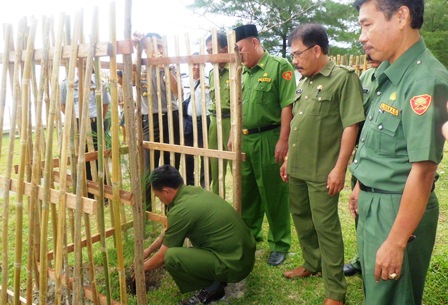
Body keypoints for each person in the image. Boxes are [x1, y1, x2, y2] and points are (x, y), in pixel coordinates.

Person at [350, 1, 448, 304]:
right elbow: (381, 144)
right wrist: (359, 185)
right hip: (373, 202)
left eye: (367, 24)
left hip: (397, 210)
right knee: (376, 292)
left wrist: (395, 241)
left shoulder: (426, 80)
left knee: (392, 298)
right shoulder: (390, 73)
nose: (361, 36)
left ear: (402, 16)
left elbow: (423, 171)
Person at [280, 23, 365, 305]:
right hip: (298, 168)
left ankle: (335, 292)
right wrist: (289, 158)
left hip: (322, 171)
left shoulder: (343, 79)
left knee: (326, 229)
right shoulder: (303, 81)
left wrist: (340, 168)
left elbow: (351, 125)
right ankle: (311, 263)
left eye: (298, 53)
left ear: (316, 50)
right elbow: (299, 124)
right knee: (302, 220)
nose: (295, 60)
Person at [139, 165, 256, 305]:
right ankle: (216, 278)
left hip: (236, 265)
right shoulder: (190, 192)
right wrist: (147, 251)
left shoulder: (181, 210)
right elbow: (169, 232)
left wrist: (142, 268)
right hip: (242, 254)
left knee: (172, 257)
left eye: (157, 196)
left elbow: (163, 256)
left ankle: (211, 288)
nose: (158, 199)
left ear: (166, 191)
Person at [231, 24, 295, 266]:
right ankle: (250, 235)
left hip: (269, 138)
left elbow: (287, 105)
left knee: (273, 192)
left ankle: (280, 243)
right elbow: (237, 107)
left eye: (240, 48)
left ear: (254, 43)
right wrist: (233, 134)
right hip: (245, 139)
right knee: (247, 191)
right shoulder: (242, 72)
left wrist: (283, 140)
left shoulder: (279, 67)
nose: (238, 54)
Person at [343, 57, 381, 277]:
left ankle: (377, 261)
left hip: (383, 159)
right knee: (360, 211)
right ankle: (362, 259)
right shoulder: (365, 77)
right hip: (362, 156)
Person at [140, 32, 181, 211]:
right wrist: (137, 47)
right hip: (151, 119)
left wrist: (165, 67)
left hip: (172, 116)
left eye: (160, 45)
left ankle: (171, 206)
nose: (158, 50)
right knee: (149, 166)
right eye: (153, 46)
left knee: (171, 164)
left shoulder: (171, 68)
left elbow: (178, 92)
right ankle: (147, 207)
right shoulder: (140, 68)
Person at [60, 68, 111, 198]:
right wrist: (74, 120)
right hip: (77, 124)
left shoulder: (100, 83)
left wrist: (99, 121)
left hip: (94, 123)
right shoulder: (67, 84)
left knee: (98, 156)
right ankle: (86, 192)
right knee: (80, 156)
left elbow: (105, 105)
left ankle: (102, 191)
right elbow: (63, 105)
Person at [206, 32, 231, 197]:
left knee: (237, 169)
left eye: (213, 50)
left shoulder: (238, 71)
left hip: (232, 121)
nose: (210, 55)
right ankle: (217, 203)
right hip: (215, 121)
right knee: (215, 169)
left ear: (226, 49)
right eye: (208, 51)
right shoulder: (211, 74)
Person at [183, 56, 211, 187]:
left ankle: (205, 185)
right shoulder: (183, 81)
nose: (196, 67)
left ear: (204, 66)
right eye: (193, 64)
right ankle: (190, 184)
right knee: (188, 155)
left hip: (204, 121)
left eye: (199, 65)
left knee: (205, 155)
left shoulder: (209, 81)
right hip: (187, 122)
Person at [117, 70, 127, 144]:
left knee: (124, 125)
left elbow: (131, 99)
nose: (116, 79)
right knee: (123, 125)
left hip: (127, 109)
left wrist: (123, 102)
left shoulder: (127, 87)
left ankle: (125, 140)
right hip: (121, 109)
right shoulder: (118, 87)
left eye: (117, 77)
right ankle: (125, 140)